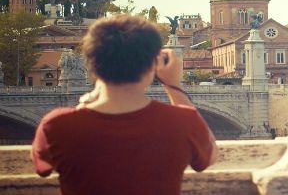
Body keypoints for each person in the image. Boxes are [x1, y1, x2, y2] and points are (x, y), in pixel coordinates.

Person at [31, 15, 219, 194]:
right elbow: (208, 158)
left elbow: (42, 168)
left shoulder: (56, 124)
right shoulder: (183, 121)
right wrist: (173, 85)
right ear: (152, 66)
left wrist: (83, 106)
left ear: (91, 64)